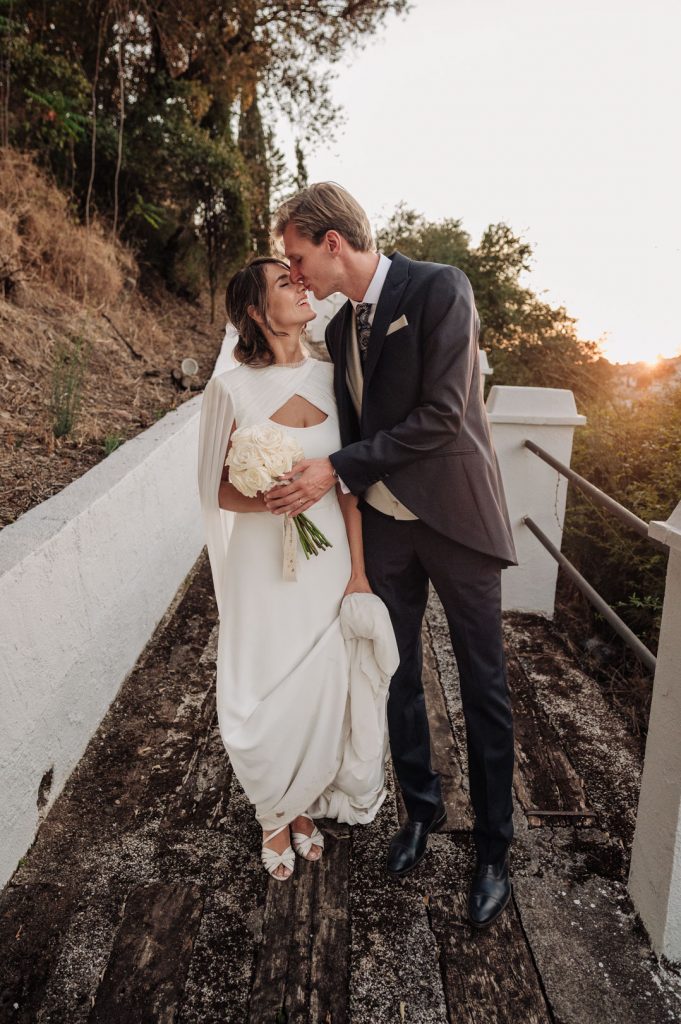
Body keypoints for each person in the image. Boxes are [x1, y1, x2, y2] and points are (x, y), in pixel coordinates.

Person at [266, 184, 518, 927]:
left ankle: (494, 849)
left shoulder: (440, 287)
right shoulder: (340, 328)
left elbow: (443, 415)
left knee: (484, 685)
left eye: (297, 254)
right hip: (384, 528)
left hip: (457, 521)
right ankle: (420, 811)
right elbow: (343, 421)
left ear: (332, 243)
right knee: (396, 673)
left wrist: (337, 467)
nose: (295, 269)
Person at [197, 256, 399, 882]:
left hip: (332, 554)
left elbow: (348, 484)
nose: (300, 285)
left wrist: (359, 572)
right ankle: (273, 810)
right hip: (262, 564)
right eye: (284, 283)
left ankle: (305, 797)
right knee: (267, 675)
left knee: (323, 676)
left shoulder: (335, 377)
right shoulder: (231, 390)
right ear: (256, 312)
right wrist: (267, 497)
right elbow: (215, 491)